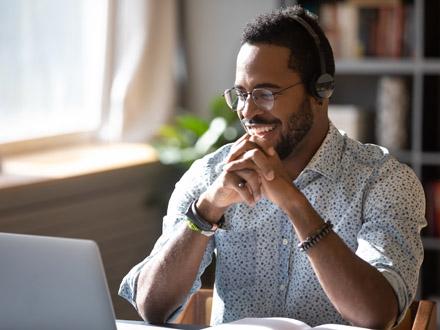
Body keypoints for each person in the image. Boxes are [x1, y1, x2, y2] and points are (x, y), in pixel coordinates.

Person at [119, 5, 426, 329]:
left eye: (265, 93)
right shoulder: (211, 176)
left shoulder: (385, 181)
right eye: (241, 93)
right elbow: (151, 308)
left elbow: (376, 315)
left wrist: (293, 203)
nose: (247, 111)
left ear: (320, 91)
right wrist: (206, 210)